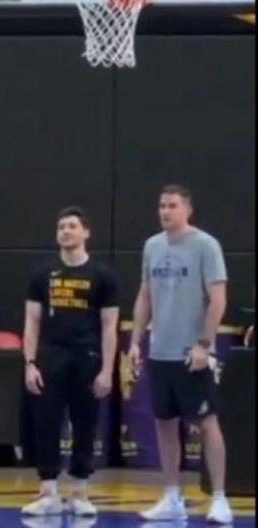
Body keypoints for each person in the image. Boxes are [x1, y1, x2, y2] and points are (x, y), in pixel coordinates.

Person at [128, 184, 233, 524]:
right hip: (160, 352)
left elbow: (218, 298)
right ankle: (172, 497)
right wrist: (136, 341)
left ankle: (219, 498)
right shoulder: (152, 246)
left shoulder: (205, 245)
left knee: (207, 422)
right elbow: (145, 295)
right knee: (164, 422)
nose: (165, 211)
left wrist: (204, 343)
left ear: (187, 210)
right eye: (161, 206)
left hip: (192, 353)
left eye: (172, 205)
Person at [20, 207, 119, 517]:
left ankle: (80, 491)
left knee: (85, 424)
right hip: (51, 356)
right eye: (61, 226)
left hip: (87, 357)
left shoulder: (102, 275)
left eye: (72, 226)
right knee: (46, 423)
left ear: (86, 232)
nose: (65, 231)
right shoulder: (42, 273)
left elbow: (109, 326)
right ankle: (48, 491)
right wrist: (30, 362)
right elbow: (32, 321)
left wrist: (107, 370)